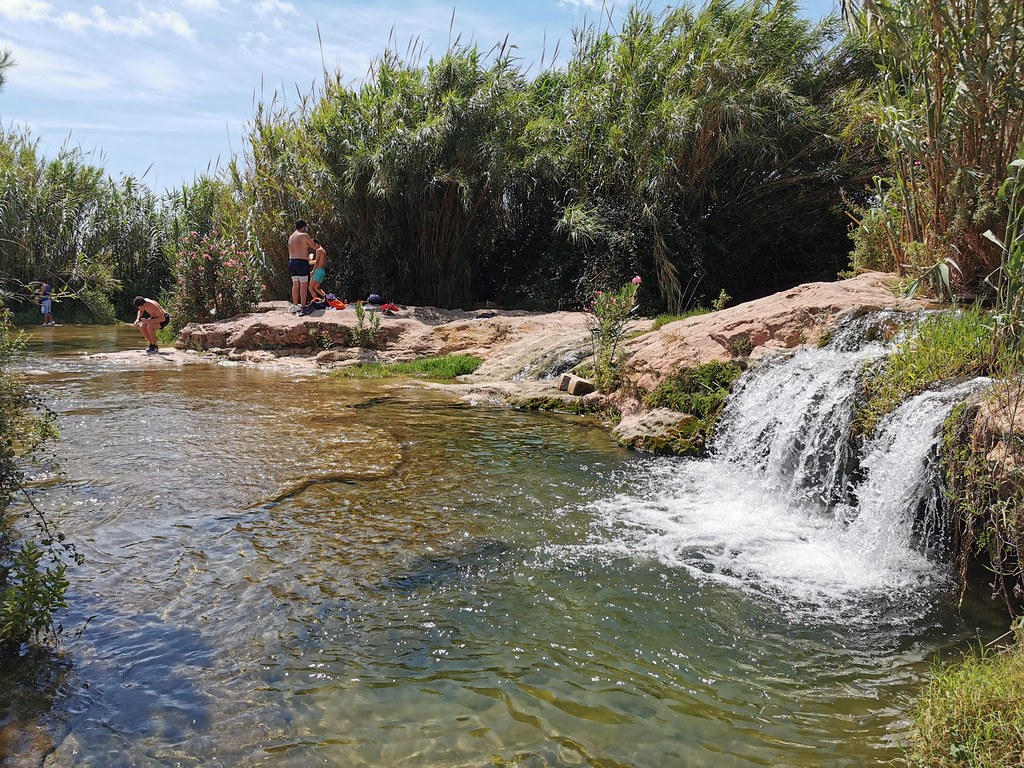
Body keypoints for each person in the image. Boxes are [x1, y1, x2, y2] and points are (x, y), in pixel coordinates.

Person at [287, 220, 317, 315]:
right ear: (303, 227)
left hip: (292, 262)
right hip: (301, 262)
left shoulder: (291, 237)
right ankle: (303, 306)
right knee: (304, 285)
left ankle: (296, 305)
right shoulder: (304, 235)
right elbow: (314, 246)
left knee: (295, 284)